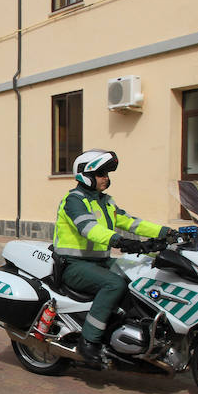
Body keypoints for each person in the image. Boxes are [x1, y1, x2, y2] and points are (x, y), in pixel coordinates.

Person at [53, 150, 173, 369]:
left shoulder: (105, 201)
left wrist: (166, 232)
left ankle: (128, 331)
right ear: (85, 175)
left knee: (140, 274)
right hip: (74, 265)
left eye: (106, 173)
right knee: (114, 283)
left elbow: (132, 223)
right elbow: (89, 229)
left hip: (99, 262)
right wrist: (122, 242)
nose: (105, 178)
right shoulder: (74, 201)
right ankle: (88, 340)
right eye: (100, 173)